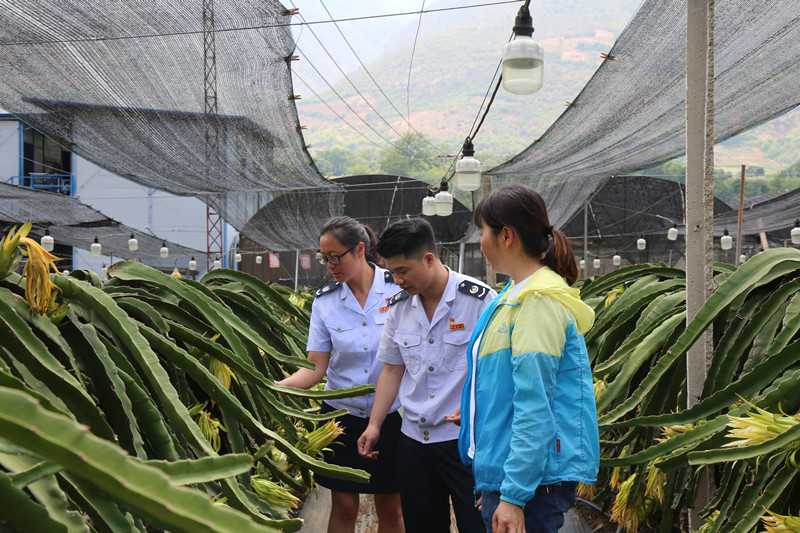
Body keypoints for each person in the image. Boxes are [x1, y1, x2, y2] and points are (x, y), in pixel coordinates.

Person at [458, 184, 600, 533]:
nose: (480, 242)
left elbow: (535, 408)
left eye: (481, 232)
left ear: (506, 235)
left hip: (531, 486)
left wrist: (513, 496)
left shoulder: (536, 304)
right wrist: (493, 481)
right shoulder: (511, 298)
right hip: (511, 477)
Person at [358, 217, 494, 533]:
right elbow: (392, 368)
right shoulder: (398, 306)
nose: (397, 279)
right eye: (392, 272)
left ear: (429, 259)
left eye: (403, 271)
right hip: (414, 440)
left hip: (464, 442)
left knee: (477, 524)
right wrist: (375, 424)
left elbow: (494, 370)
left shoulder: (478, 300)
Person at [277, 216, 404, 533]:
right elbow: (316, 368)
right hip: (340, 418)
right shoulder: (326, 302)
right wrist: (278, 387)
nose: (330, 265)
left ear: (360, 249)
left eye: (336, 257)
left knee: (391, 505)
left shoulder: (399, 289)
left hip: (393, 415)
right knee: (344, 506)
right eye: (325, 258)